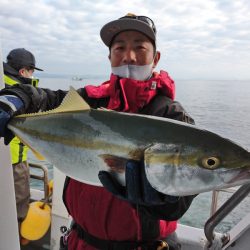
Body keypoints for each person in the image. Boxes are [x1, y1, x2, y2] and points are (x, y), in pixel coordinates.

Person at [0, 14, 196, 250]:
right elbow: (47, 99)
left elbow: (181, 201)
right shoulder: (90, 100)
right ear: (110, 56)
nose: (129, 56)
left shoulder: (171, 116)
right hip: (78, 241)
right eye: (119, 47)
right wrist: (20, 95)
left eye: (140, 47)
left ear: (156, 58)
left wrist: (163, 201)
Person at [1, 48, 43, 243]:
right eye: (31, 71)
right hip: (14, 162)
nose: (32, 75)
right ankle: (15, 242)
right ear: (23, 72)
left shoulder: (3, 87)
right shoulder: (21, 94)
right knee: (18, 208)